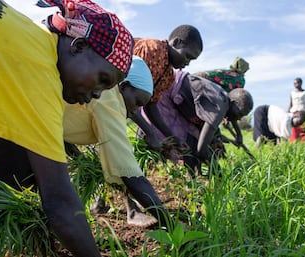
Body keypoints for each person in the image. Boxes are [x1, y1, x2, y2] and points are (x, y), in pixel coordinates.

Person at [0, 0, 133, 256]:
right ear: (78, 46)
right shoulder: (39, 69)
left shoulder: (30, 39)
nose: (97, 95)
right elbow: (60, 202)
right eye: (102, 80)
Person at [63, 56, 173, 229]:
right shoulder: (110, 99)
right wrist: (171, 225)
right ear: (123, 85)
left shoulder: (106, 94)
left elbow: (63, 127)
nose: (135, 110)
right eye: (136, 102)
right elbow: (130, 174)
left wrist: (81, 161)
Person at [140, 71, 253, 176]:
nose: (238, 118)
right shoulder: (219, 107)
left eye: (242, 116)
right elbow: (201, 149)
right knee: (173, 139)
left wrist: (239, 134)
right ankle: (142, 170)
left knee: (192, 139)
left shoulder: (223, 99)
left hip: (176, 97)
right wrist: (218, 172)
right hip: (165, 92)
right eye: (240, 113)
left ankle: (192, 179)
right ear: (232, 103)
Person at [130, 24, 204, 152]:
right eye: (187, 56)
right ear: (176, 42)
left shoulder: (168, 75)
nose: (187, 63)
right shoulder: (152, 49)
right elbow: (128, 96)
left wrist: (173, 137)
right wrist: (150, 134)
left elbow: (151, 105)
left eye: (192, 60)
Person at [288, 77, 305, 142]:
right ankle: (294, 142)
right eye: (294, 83)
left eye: (297, 83)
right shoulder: (292, 93)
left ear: (301, 83)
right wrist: (287, 113)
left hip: (303, 112)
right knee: (294, 130)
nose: (296, 84)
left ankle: (303, 143)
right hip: (294, 113)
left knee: (303, 130)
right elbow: (290, 104)